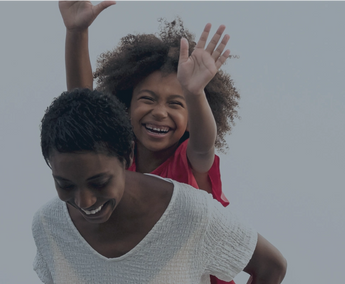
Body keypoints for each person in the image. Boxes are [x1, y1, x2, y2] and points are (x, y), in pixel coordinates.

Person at [32, 89, 287, 283]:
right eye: (64, 184)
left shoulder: (190, 213)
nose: (84, 201)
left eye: (99, 182)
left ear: (127, 157)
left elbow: (271, 267)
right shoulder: (48, 224)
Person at [58, 0, 240, 211]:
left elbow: (204, 145)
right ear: (125, 106)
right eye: (148, 99)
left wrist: (194, 93)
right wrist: (76, 32)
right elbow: (83, 108)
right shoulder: (115, 156)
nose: (160, 113)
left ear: (191, 119)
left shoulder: (188, 161)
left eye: (175, 104)